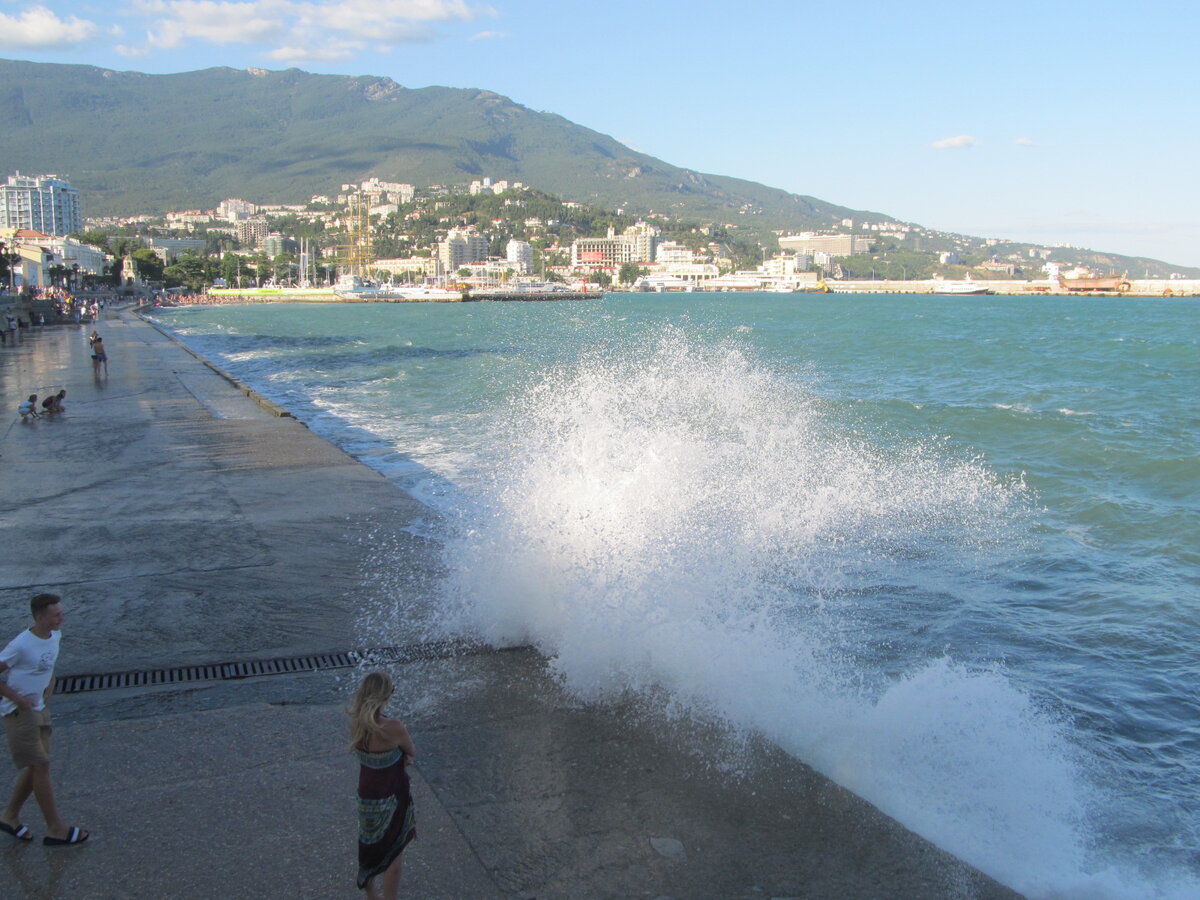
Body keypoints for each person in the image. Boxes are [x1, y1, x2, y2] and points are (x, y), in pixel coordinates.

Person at [0, 593, 88, 846]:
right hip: (19, 713)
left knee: (36, 766)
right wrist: (16, 698)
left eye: (61, 612)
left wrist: (51, 682)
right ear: (40, 617)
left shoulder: (55, 635)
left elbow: (47, 664)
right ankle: (56, 828)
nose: (62, 617)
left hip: (40, 708)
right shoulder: (21, 644)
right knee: (41, 767)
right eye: (56, 614)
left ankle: (9, 816)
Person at [350, 671, 416, 899]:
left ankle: (372, 895)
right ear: (385, 697)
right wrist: (403, 756)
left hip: (367, 795)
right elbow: (411, 751)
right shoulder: (394, 727)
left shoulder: (356, 723)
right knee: (394, 852)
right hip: (392, 793)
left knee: (369, 848)